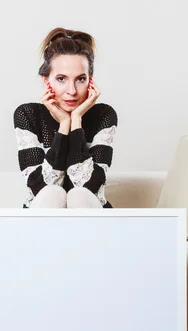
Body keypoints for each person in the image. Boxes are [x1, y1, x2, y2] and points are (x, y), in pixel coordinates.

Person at [13, 27, 118, 208]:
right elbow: (40, 187)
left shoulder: (103, 115)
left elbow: (88, 186)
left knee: (79, 195)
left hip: (92, 220)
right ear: (46, 81)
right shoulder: (28, 115)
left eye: (80, 79)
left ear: (90, 81)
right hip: (42, 221)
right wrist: (64, 124)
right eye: (61, 79)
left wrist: (75, 121)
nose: (72, 91)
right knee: (53, 193)